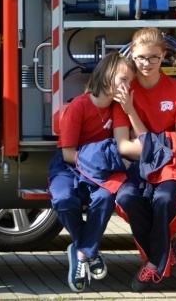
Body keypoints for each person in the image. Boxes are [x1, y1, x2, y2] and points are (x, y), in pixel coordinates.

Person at [48, 51, 135, 293]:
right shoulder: (79, 106)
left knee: (105, 198)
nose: (128, 86)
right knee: (64, 199)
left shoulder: (118, 108)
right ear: (107, 76)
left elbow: (121, 145)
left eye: (130, 81)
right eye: (123, 79)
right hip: (70, 166)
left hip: (101, 166)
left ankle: (82, 251)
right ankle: (89, 250)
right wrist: (100, 157)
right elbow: (67, 154)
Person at [112, 27, 176, 292]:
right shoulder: (124, 91)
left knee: (165, 201)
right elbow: (123, 145)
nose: (147, 64)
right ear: (132, 55)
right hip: (138, 165)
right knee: (126, 199)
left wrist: (141, 131)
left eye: (154, 58)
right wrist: (166, 144)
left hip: (168, 168)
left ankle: (154, 264)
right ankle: (166, 253)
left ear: (164, 56)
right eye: (141, 58)